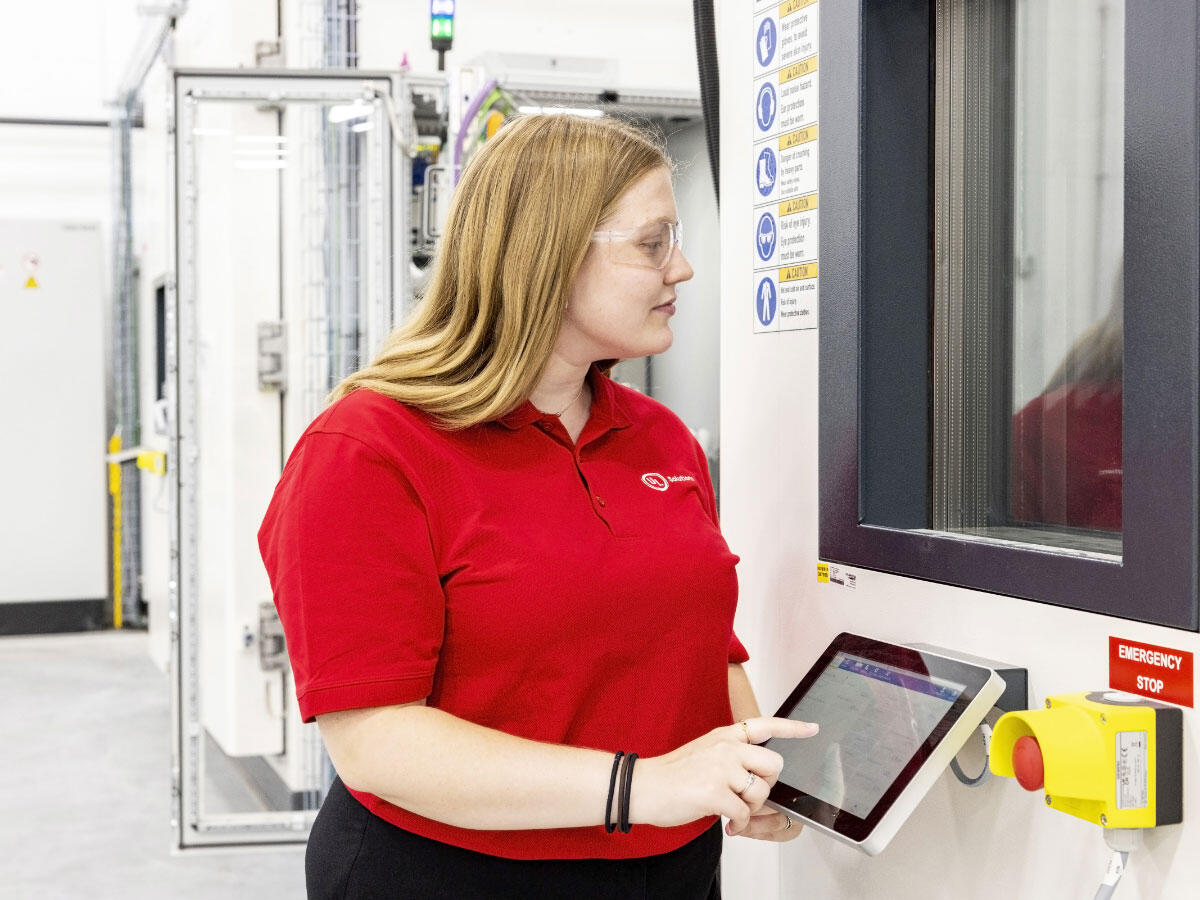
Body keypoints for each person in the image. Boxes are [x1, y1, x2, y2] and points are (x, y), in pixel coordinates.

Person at [258, 113, 817, 900]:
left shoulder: (659, 440)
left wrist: (751, 770)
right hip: (450, 875)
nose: (682, 268)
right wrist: (643, 786)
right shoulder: (367, 450)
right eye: (654, 243)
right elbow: (376, 741)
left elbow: (702, 645)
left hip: (669, 869)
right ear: (547, 256)